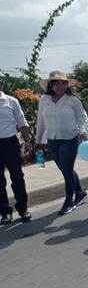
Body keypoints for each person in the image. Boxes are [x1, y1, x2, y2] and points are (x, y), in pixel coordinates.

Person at [35, 71, 88, 215]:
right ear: (51, 85)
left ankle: (69, 201)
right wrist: (39, 140)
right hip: (53, 139)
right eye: (57, 83)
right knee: (65, 168)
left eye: (63, 83)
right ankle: (80, 192)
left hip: (70, 138)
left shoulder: (73, 100)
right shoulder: (44, 100)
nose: (60, 86)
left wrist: (83, 131)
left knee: (66, 169)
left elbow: (82, 117)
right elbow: (41, 121)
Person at [0, 80, 32, 224]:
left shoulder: (11, 101)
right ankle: (5, 212)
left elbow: (22, 121)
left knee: (17, 177)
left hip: (10, 143)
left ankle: (23, 209)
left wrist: (28, 142)